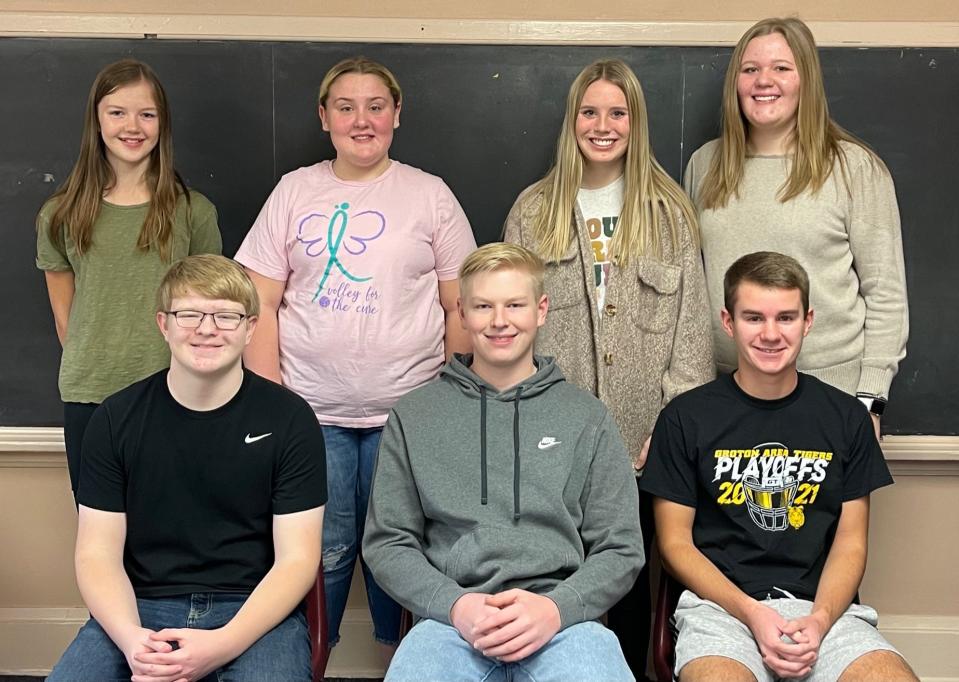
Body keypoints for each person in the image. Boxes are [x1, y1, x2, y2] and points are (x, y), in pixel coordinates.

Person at [234, 56, 476, 659]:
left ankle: (409, 660)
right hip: (312, 414)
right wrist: (274, 401)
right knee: (326, 546)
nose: (361, 120)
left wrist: (451, 397)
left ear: (397, 114)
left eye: (376, 106)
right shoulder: (295, 190)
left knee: (405, 545)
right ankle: (308, 655)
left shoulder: (430, 195)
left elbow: (460, 306)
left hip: (411, 414)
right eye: (345, 107)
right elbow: (259, 299)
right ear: (324, 117)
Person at [503, 58, 713, 678]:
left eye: (617, 113)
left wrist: (671, 427)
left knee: (628, 586)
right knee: (558, 580)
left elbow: (693, 330)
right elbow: (509, 323)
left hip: (644, 442)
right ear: (572, 122)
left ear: (635, 121)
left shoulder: (670, 211)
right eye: (589, 112)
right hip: (554, 440)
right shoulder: (534, 210)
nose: (603, 125)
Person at [363, 242, 643, 682]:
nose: (499, 321)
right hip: (449, 624)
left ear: (541, 309)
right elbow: (387, 543)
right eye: (483, 306)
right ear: (461, 311)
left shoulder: (586, 416)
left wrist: (557, 608)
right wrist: (457, 606)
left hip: (564, 623)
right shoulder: (414, 416)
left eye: (515, 305)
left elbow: (621, 547)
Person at [46, 254, 326, 681]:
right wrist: (131, 640)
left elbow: (297, 561)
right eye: (189, 313)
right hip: (140, 607)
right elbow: (96, 553)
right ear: (164, 324)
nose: (207, 328)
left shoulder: (290, 419)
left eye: (226, 316)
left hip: (253, 609)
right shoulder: (115, 419)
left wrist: (221, 646)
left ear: (251, 328)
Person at [640, 251, 917, 682]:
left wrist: (821, 620)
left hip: (823, 612)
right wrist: (751, 613)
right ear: (728, 322)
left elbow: (851, 544)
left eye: (785, 318)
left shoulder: (846, 419)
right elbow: (675, 545)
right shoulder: (685, 418)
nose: (770, 334)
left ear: (807, 321)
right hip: (721, 611)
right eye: (754, 318)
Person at [684, 17, 908, 441]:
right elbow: (691, 288)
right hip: (728, 397)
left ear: (805, 80)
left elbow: (886, 293)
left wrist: (869, 400)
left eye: (781, 68)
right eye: (750, 69)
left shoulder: (854, 168)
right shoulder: (705, 166)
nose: (763, 81)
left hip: (832, 398)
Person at [36, 58, 222, 499]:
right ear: (96, 121)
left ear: (163, 124)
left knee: (170, 527)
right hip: (89, 396)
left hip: (175, 394)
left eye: (147, 114)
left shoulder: (193, 212)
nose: (132, 126)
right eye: (117, 112)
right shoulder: (59, 214)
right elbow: (67, 321)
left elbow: (212, 315)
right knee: (100, 534)